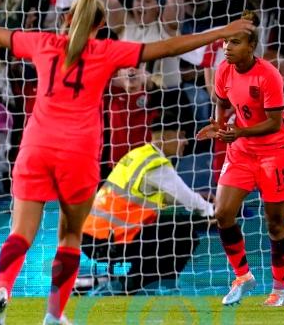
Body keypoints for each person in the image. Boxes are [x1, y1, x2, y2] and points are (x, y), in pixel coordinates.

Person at [0, 0, 254, 325]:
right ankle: (54, 313)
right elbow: (169, 47)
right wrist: (222, 31)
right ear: (102, 25)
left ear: (66, 19)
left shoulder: (43, 43)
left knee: (20, 233)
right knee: (70, 236)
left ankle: (2, 290)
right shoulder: (107, 51)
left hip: (36, 146)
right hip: (78, 152)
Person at [197, 10, 284, 307]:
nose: (226, 48)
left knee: (275, 223)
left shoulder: (268, 74)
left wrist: (239, 132)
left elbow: (273, 121)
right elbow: (220, 101)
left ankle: (279, 289)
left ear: (250, 46)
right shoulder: (224, 71)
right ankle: (243, 276)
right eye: (225, 43)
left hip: (275, 152)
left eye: (234, 43)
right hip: (242, 151)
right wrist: (219, 126)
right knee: (223, 213)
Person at [81, 113, 214, 295]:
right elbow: (189, 200)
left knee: (169, 230)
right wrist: (214, 212)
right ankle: (139, 285)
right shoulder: (155, 164)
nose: (186, 141)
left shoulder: (138, 155)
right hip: (110, 238)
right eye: (181, 136)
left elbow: (163, 196)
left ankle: (131, 284)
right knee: (184, 233)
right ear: (165, 137)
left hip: (94, 235)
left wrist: (198, 198)